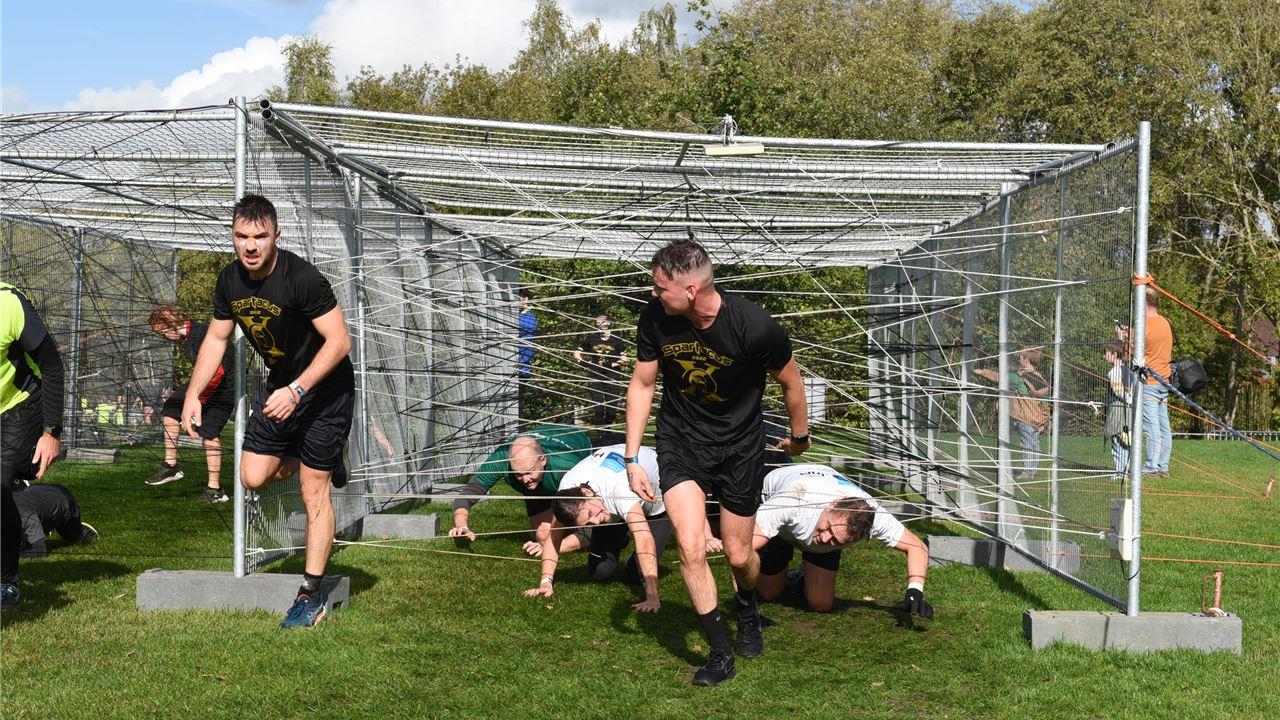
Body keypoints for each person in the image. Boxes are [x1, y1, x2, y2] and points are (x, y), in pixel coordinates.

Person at [624, 238, 810, 686]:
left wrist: (800, 436)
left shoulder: (754, 326)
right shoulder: (655, 318)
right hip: (681, 441)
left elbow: (791, 383)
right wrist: (631, 458)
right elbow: (643, 385)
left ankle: (746, 608)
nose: (653, 293)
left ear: (690, 291)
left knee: (739, 555)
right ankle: (720, 652)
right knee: (690, 544)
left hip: (740, 447)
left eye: (660, 287)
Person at [182, 193, 355, 629]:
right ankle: (322, 457)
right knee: (252, 476)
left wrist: (297, 390)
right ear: (233, 237)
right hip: (282, 389)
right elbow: (216, 339)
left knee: (314, 490)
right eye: (242, 237)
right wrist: (193, 394)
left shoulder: (302, 279)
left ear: (277, 236)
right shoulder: (229, 281)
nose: (250, 246)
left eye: (260, 236)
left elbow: (340, 342)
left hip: (325, 390)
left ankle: (310, 595)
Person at [751, 464, 931, 616]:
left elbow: (917, 547)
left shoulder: (871, 515)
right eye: (828, 527)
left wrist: (914, 592)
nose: (824, 538)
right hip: (781, 528)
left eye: (837, 540)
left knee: (820, 604)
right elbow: (744, 547)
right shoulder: (794, 499)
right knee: (768, 593)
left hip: (814, 510)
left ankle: (800, 577)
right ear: (832, 506)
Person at [523, 445, 676, 612]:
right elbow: (554, 538)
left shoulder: (619, 489)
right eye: (587, 523)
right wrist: (545, 582)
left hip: (655, 503)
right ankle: (624, 529)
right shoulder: (567, 496)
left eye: (590, 514)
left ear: (586, 493)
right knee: (600, 572)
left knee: (638, 574)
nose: (595, 522)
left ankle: (633, 550)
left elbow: (644, 539)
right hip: (611, 504)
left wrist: (652, 598)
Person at [1, 282, 65, 610]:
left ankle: (6, 582)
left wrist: (51, 432)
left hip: (19, 406)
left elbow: (52, 365)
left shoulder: (9, 304)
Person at [448, 423, 592, 556]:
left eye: (530, 471)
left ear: (543, 460)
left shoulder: (566, 467)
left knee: (581, 524)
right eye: (518, 474)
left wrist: (551, 548)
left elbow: (597, 512)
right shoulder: (502, 457)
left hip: (576, 440)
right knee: (542, 536)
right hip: (537, 490)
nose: (525, 479)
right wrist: (462, 526)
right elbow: (469, 493)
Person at [146, 304, 236, 503]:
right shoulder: (188, 338)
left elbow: (217, 372)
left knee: (209, 432)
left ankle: (215, 490)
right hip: (205, 383)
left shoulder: (200, 335)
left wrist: (196, 400)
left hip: (225, 386)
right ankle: (171, 466)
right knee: (171, 408)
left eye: (163, 333)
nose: (164, 337)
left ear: (171, 324)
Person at [1117, 287, 1173, 477]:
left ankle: (1151, 466)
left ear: (1144, 304)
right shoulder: (1165, 322)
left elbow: (1129, 356)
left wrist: (1123, 339)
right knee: (1164, 425)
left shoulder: (1144, 325)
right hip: (1164, 380)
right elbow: (1151, 343)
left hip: (1149, 382)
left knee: (1151, 426)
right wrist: (1132, 333)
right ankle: (1163, 465)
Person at [974, 347, 1051, 479]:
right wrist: (1045, 419)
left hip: (1025, 417)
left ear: (1026, 360)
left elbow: (999, 378)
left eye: (1021, 357)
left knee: (1027, 444)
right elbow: (1044, 400)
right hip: (1037, 417)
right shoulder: (1038, 377)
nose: (1019, 359)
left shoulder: (1017, 377)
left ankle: (1027, 472)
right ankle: (1032, 471)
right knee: (1034, 444)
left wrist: (982, 372)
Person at [573, 312, 628, 436]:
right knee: (598, 407)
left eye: (602, 321)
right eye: (597, 322)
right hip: (595, 375)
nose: (599, 324)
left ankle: (607, 429)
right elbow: (576, 353)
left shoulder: (617, 339)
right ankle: (601, 434)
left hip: (612, 375)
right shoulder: (592, 338)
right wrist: (584, 363)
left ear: (608, 323)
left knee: (612, 408)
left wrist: (611, 364)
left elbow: (625, 359)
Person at [14, 482, 98, 557]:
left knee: (72, 541)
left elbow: (40, 551)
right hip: (34, 490)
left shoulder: (27, 516)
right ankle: (41, 529)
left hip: (64, 498)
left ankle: (83, 530)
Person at [1102, 341, 1133, 476]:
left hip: (1118, 410)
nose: (1104, 356)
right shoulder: (1130, 370)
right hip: (1130, 410)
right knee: (1127, 441)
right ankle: (1126, 471)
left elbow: (1119, 391)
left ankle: (1121, 472)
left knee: (1118, 442)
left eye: (1105, 353)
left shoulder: (1114, 371)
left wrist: (1129, 400)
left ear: (1114, 354)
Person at [517, 288, 537, 421]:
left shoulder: (528, 319)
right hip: (516, 367)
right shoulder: (520, 317)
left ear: (525, 299)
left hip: (521, 368)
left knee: (516, 407)